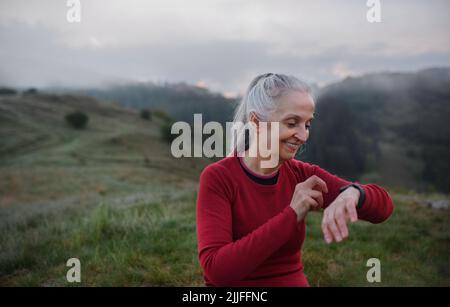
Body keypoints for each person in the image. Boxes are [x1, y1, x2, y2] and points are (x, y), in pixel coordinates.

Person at [196, 73, 394, 287]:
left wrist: (355, 193)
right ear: (256, 122)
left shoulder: (303, 176)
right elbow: (218, 271)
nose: (303, 136)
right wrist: (291, 214)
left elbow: (383, 209)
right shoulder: (219, 177)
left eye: (307, 125)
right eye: (292, 123)